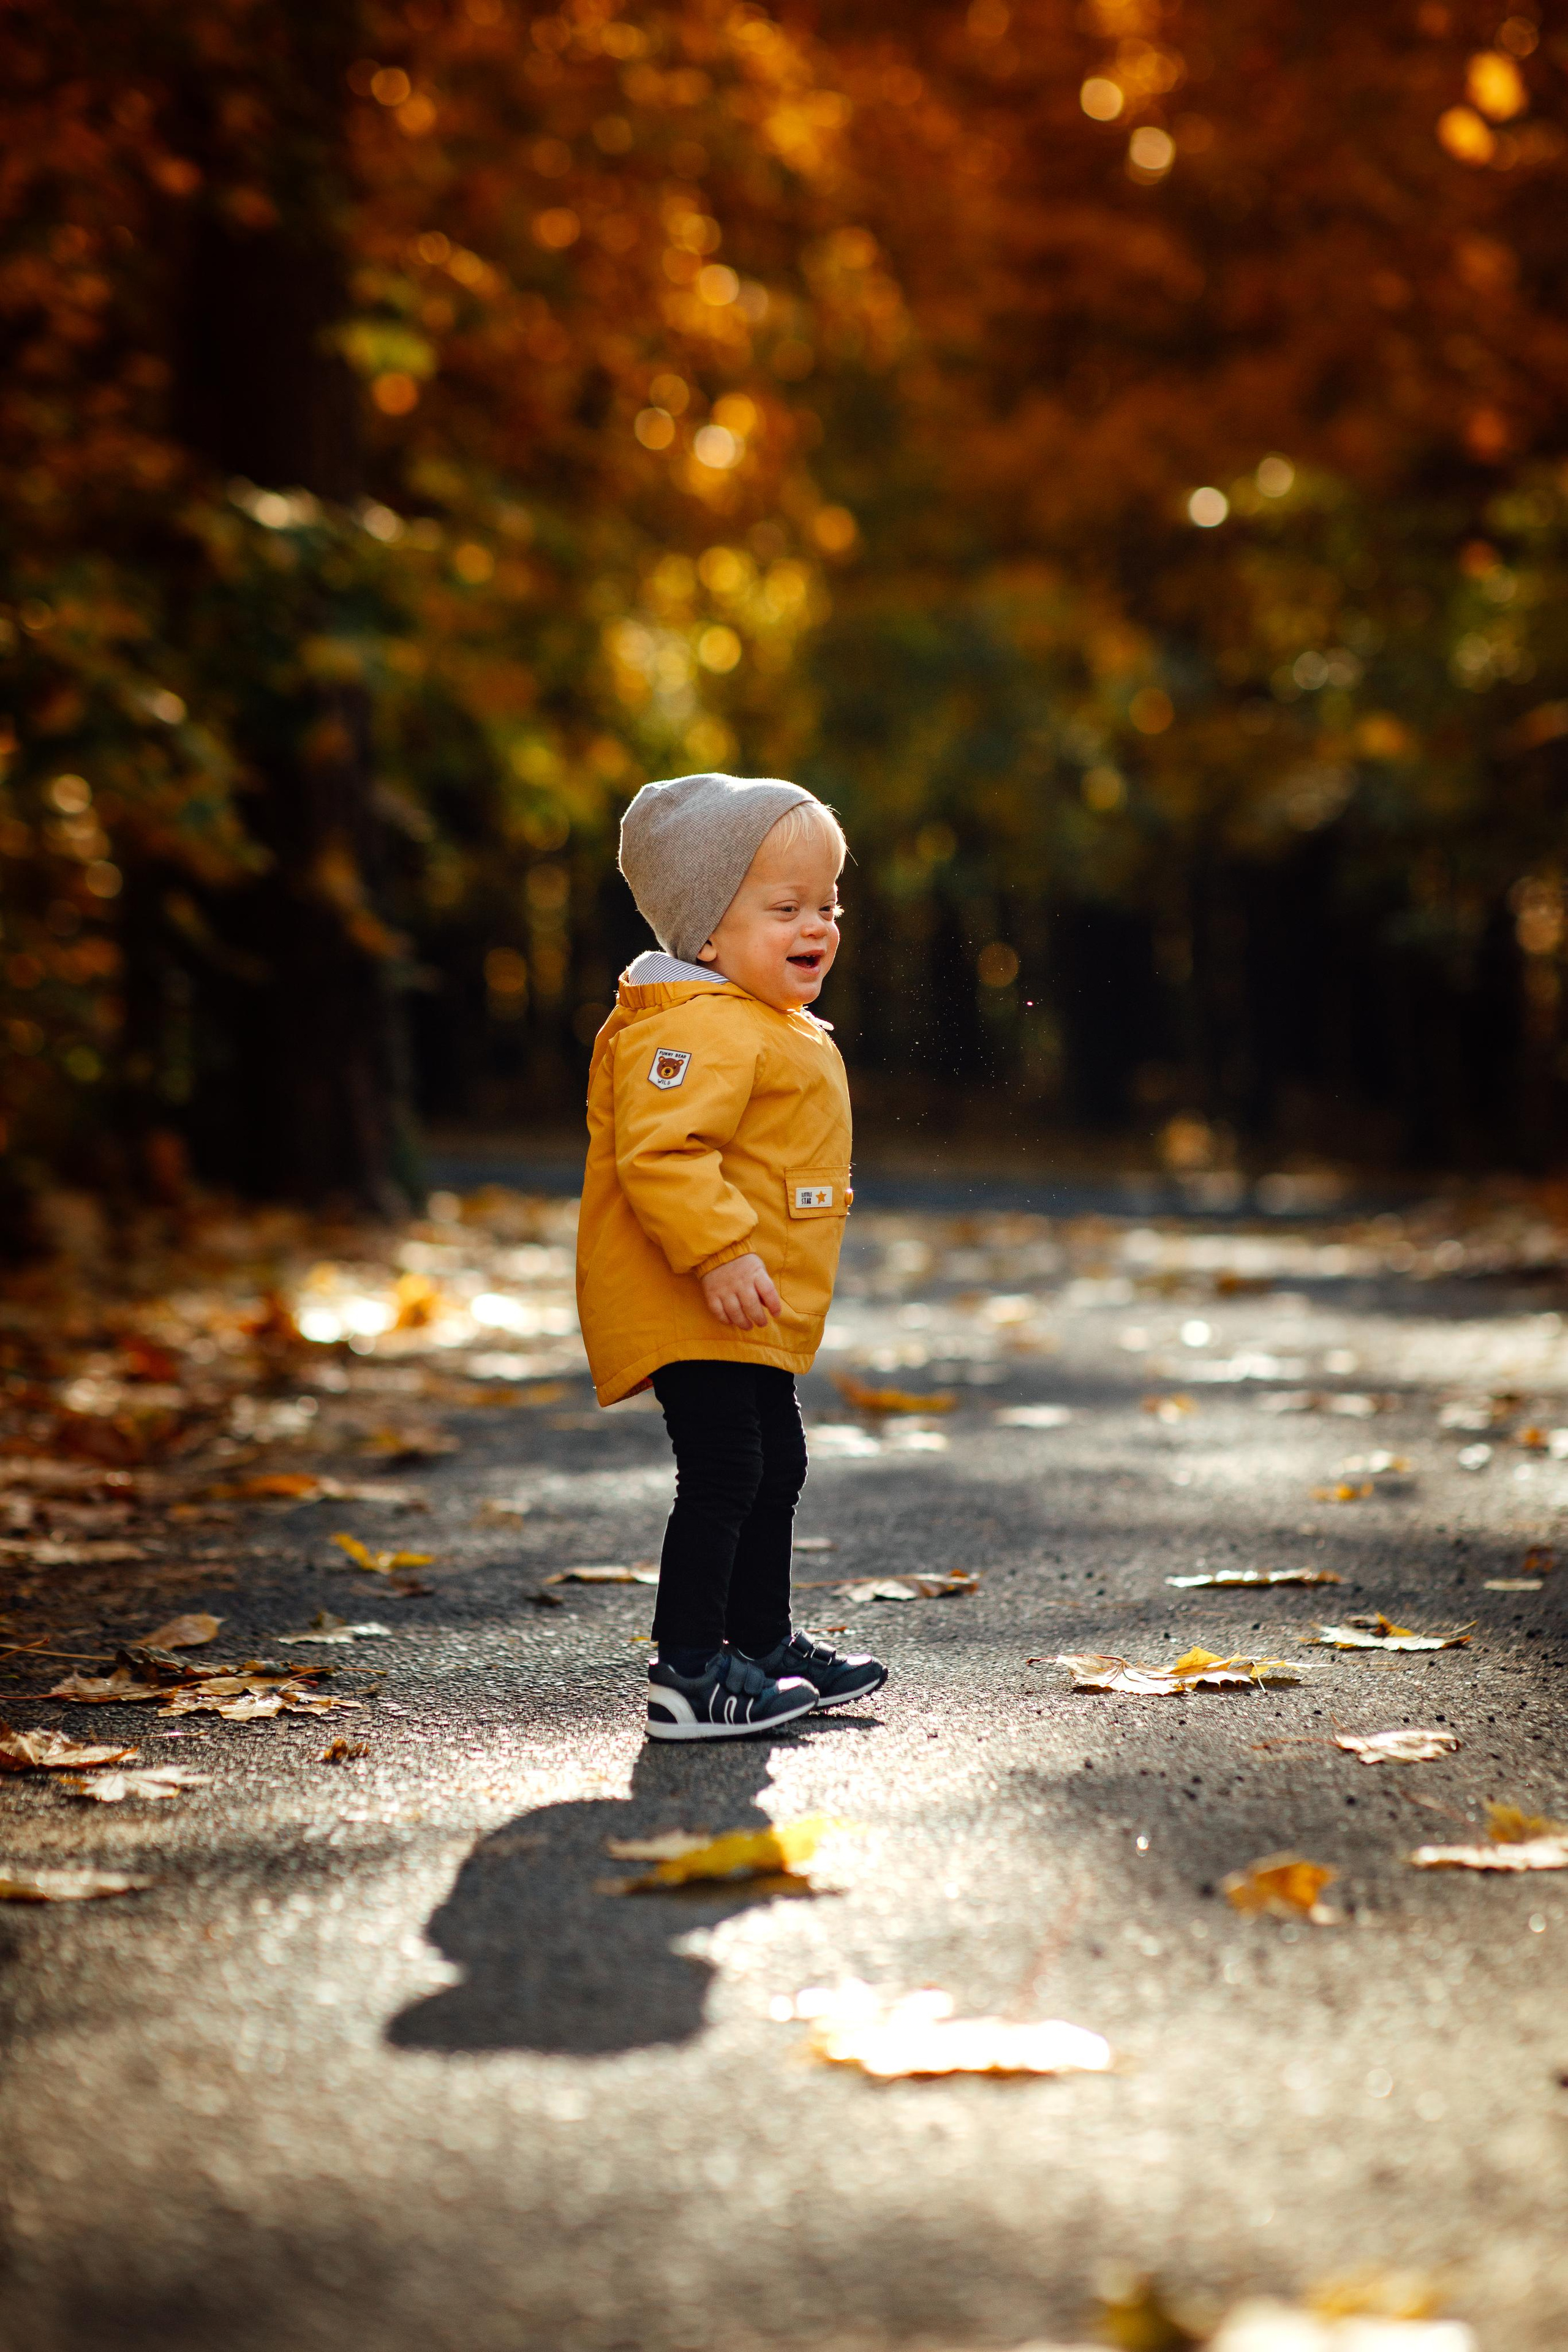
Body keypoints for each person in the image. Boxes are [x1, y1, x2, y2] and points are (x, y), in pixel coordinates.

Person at [576, 770, 888, 1741]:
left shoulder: (756, 1020)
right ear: (708, 933)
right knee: (725, 1470)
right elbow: (661, 1153)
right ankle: (689, 1669)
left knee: (775, 1461)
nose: (818, 925)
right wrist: (717, 1255)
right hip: (695, 1297)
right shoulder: (699, 1026)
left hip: (739, 1308)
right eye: (786, 906)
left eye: (829, 904)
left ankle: (758, 1644)